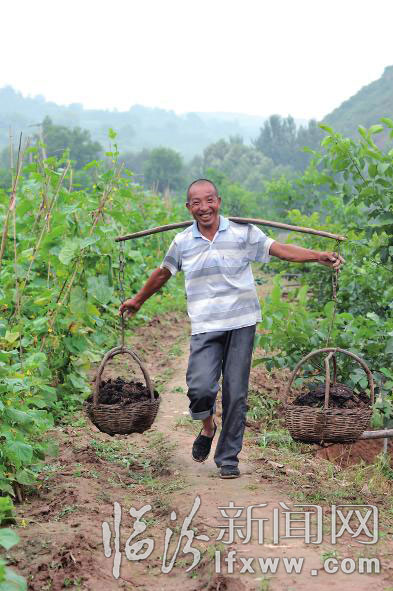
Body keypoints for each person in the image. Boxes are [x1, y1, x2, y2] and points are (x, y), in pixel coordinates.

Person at [119, 179, 344, 479]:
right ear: (188, 208)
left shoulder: (243, 232)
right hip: (205, 326)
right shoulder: (183, 242)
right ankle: (208, 428)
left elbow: (281, 249)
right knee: (199, 388)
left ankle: (228, 458)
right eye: (196, 203)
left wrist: (318, 256)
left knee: (236, 394)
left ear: (219, 201)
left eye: (209, 200)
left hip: (241, 324)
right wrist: (137, 300)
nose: (204, 207)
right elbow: (162, 274)